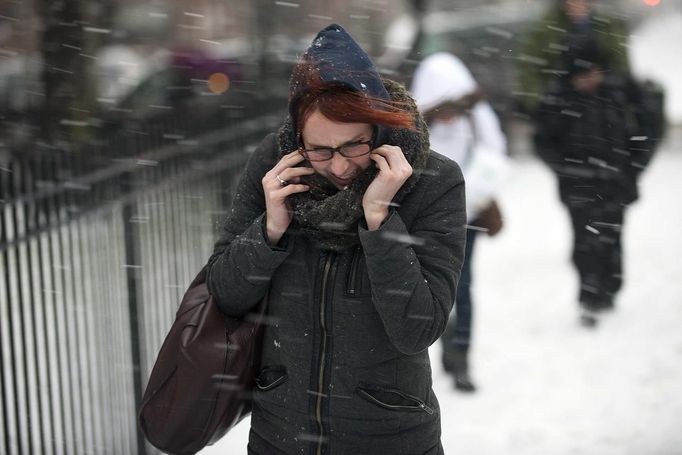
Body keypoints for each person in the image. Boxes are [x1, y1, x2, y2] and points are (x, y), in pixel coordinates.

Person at [205, 24, 466, 454]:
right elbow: (226, 294)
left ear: (379, 129)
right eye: (320, 150)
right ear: (298, 138)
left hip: (389, 437)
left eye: (354, 146)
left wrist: (380, 221)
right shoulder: (277, 169)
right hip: (280, 436)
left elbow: (418, 328)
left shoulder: (434, 181)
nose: (340, 167)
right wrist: (270, 230)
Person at [519, 0, 657, 327]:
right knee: (584, 241)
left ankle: (609, 287)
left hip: (614, 178)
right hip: (579, 184)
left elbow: (647, 128)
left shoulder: (619, 92)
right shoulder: (559, 100)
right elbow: (543, 140)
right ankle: (590, 295)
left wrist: (634, 164)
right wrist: (566, 170)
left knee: (611, 237)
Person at [411, 52, 510, 392]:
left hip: (466, 219)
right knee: (428, 290)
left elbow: (495, 151)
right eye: (444, 107)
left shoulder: (476, 116)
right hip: (425, 223)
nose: (450, 115)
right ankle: (436, 352)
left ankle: (460, 358)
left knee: (461, 288)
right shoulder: (418, 125)